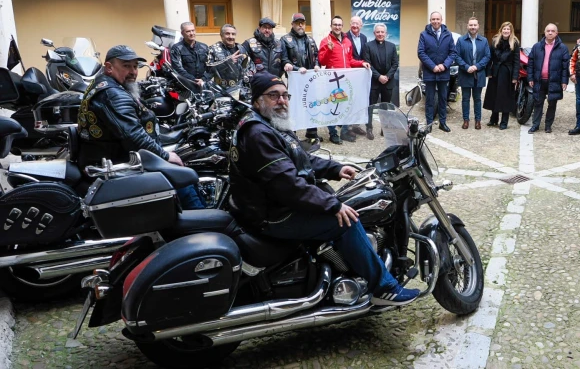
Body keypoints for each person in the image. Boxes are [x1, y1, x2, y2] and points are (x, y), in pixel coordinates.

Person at [229, 72, 419, 306]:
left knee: (336, 201)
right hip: (273, 215)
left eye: (285, 95)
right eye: (273, 96)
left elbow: (298, 159)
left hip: (268, 206)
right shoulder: (258, 134)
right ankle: (384, 288)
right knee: (347, 221)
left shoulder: (268, 124)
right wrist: (333, 205)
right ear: (257, 100)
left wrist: (335, 169)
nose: (281, 100)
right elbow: (289, 186)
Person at [77, 45, 204, 209]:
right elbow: (133, 136)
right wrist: (164, 156)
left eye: (135, 66)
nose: (133, 72)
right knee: (181, 177)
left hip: (110, 156)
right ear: (109, 67)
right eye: (126, 66)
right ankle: (200, 224)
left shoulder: (107, 85)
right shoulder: (112, 94)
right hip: (116, 163)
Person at [318, 16, 371, 144]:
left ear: (342, 26)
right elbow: (322, 61)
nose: (337, 27)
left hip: (346, 80)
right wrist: (329, 50)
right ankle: (333, 133)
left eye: (339, 25)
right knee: (333, 106)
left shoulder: (347, 41)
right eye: (335, 24)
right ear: (331, 26)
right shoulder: (326, 41)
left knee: (347, 105)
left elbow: (350, 60)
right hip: (332, 80)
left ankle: (345, 131)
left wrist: (362, 63)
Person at [281, 12, 321, 143]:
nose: (300, 25)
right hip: (295, 81)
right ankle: (293, 133)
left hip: (310, 81)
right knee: (294, 106)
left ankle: (312, 132)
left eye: (302, 23)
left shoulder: (311, 40)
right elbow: (284, 59)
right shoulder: (285, 39)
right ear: (292, 24)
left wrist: (316, 65)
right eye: (297, 23)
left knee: (312, 105)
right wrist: (297, 69)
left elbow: (317, 56)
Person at [527, 23, 569, 134]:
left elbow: (565, 66)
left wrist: (564, 81)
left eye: (552, 31)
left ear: (556, 33)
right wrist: (530, 77)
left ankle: (548, 126)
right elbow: (530, 63)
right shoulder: (537, 47)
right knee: (537, 103)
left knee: (552, 103)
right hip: (539, 80)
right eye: (548, 31)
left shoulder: (562, 48)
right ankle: (535, 125)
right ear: (544, 32)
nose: (550, 33)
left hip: (554, 80)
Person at [417, 12, 456, 132]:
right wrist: (433, 66)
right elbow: (421, 52)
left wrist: (444, 65)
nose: (435, 21)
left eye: (437, 19)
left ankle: (442, 123)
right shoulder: (424, 35)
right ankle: (429, 124)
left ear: (441, 20)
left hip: (443, 72)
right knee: (429, 99)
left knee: (443, 99)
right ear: (430, 20)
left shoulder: (448, 35)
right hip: (430, 72)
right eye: (433, 19)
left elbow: (453, 52)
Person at [362, 23, 399, 140]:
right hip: (374, 81)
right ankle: (369, 128)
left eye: (382, 32)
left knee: (385, 106)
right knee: (370, 106)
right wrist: (379, 77)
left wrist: (387, 76)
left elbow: (395, 64)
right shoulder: (368, 46)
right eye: (378, 32)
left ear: (386, 34)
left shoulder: (392, 46)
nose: (380, 34)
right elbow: (368, 64)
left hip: (388, 81)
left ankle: (385, 128)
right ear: (374, 33)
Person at [455, 17, 491, 130]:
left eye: (475, 25)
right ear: (467, 26)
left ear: (478, 26)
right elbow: (456, 56)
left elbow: (487, 56)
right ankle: (466, 120)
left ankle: (478, 121)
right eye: (471, 25)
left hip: (479, 74)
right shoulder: (461, 40)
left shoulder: (484, 41)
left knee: (477, 98)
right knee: (465, 98)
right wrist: (466, 67)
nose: (473, 27)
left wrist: (477, 66)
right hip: (465, 73)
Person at [483, 21, 520, 130]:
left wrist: (515, 77)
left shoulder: (515, 42)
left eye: (508, 29)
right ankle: (493, 119)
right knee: (494, 95)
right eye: (504, 29)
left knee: (505, 97)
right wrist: (489, 72)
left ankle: (504, 121)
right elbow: (489, 57)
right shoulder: (495, 41)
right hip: (495, 72)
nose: (506, 31)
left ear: (511, 31)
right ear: (501, 30)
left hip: (507, 73)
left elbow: (516, 61)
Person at [345, 16, 370, 136]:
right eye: (353, 23)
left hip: (361, 74)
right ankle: (348, 127)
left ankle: (356, 125)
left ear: (361, 26)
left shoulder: (364, 38)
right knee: (349, 99)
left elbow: (365, 55)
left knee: (359, 99)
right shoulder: (344, 37)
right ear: (350, 24)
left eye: (357, 24)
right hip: (349, 73)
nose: (355, 26)